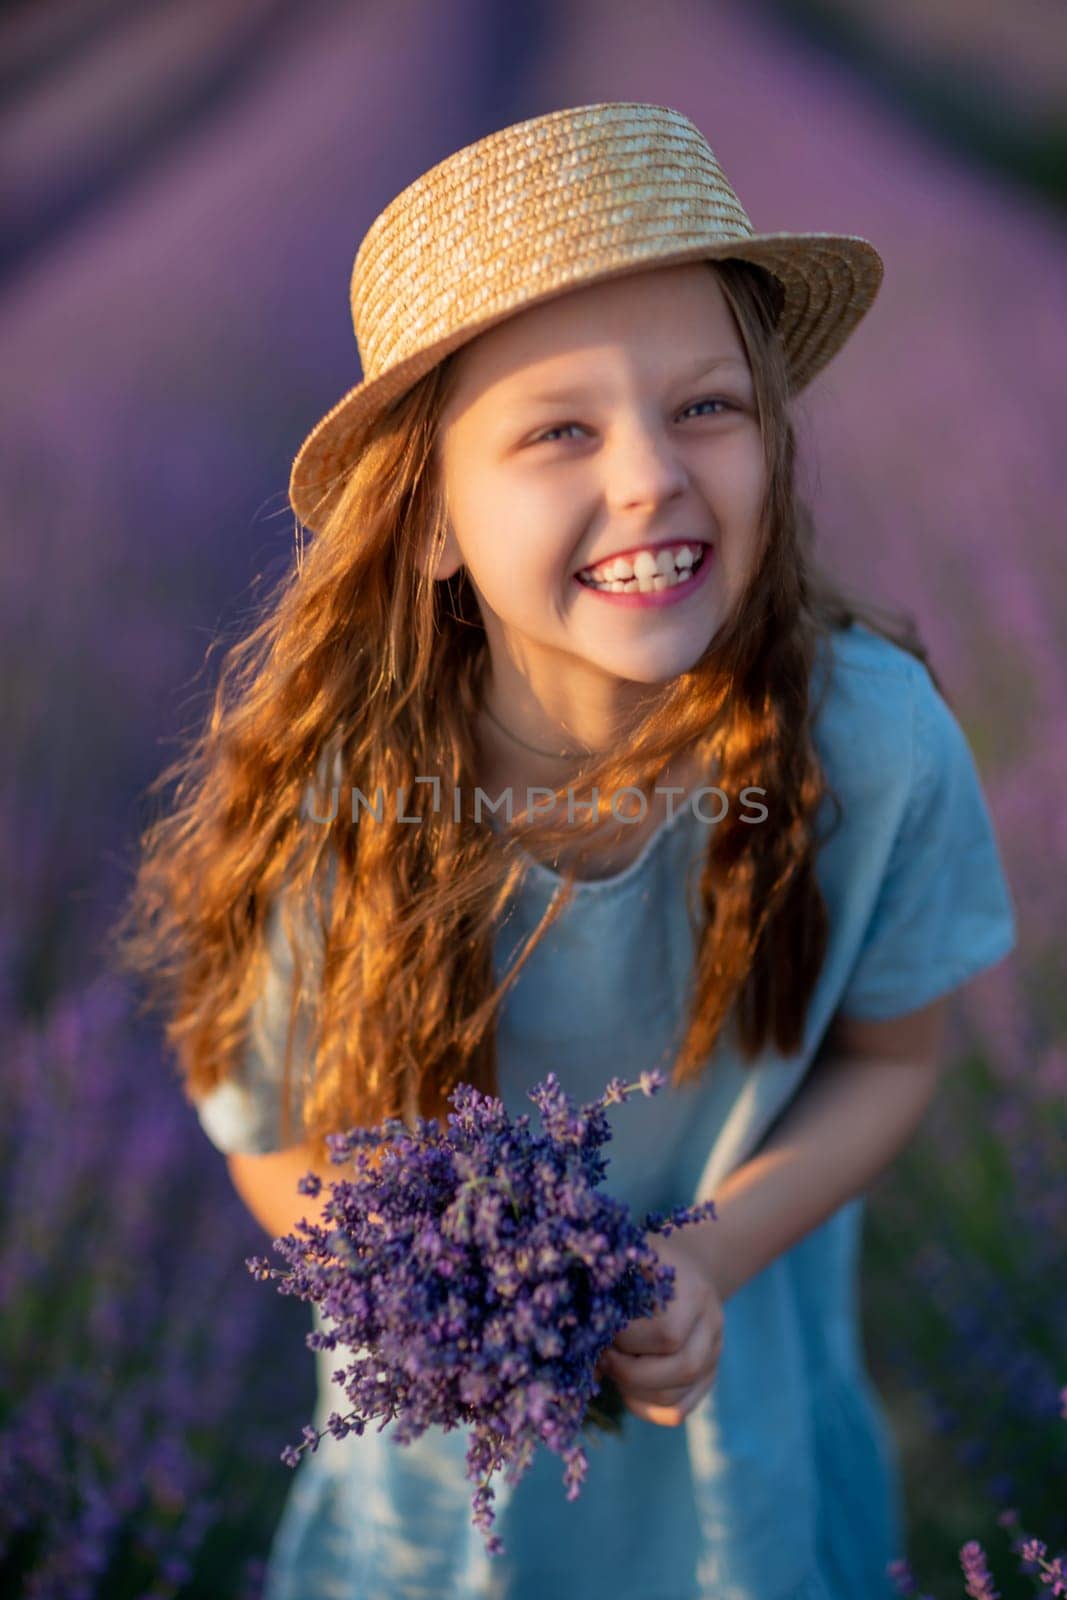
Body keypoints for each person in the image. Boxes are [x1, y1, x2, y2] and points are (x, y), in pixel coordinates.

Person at [112, 103, 1018, 1600]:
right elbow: (269, 1129)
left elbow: (890, 1061)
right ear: (430, 521)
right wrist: (436, 1310)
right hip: (442, 1495)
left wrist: (710, 1256)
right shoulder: (336, 798)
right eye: (559, 431)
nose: (655, 475)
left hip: (741, 1443)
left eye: (707, 407)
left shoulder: (870, 743)